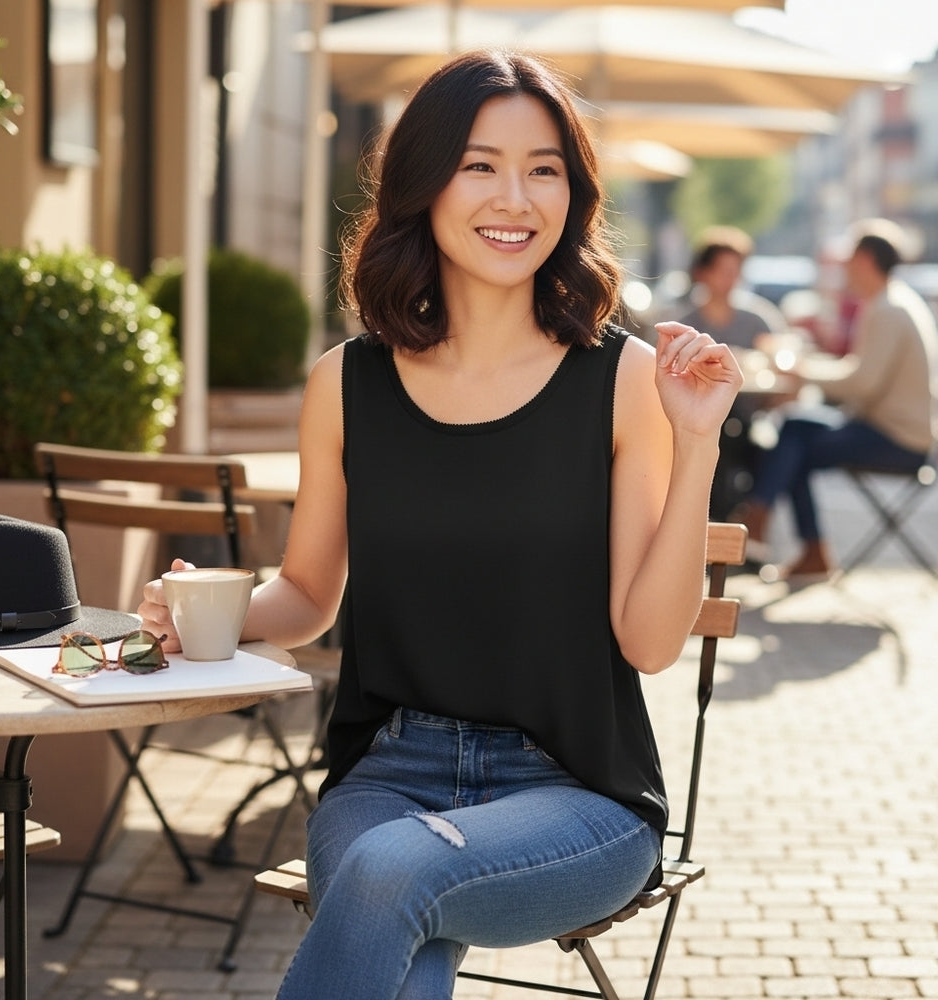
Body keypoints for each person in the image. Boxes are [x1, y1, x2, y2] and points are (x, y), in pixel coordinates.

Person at [139, 50, 742, 1000]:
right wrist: (205, 611)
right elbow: (305, 595)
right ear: (424, 184)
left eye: (544, 168)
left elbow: (651, 641)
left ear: (573, 194)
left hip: (575, 794)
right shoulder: (347, 383)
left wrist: (697, 444)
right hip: (387, 773)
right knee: (397, 913)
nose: (516, 197)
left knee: (392, 873)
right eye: (479, 164)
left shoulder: (621, 382)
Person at [735, 220, 938, 579]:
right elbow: (859, 373)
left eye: (848, 260)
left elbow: (862, 383)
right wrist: (808, 367)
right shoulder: (891, 301)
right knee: (794, 431)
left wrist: (802, 371)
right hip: (886, 427)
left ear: (864, 259)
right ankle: (778, 529)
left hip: (897, 438)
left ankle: (764, 520)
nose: (843, 269)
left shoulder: (888, 309)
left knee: (793, 442)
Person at [677, 226, 787, 519]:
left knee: (771, 446)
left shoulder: (758, 319)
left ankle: (744, 527)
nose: (731, 280)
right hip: (694, 419)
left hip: (748, 420)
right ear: (703, 272)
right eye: (723, 271)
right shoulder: (682, 322)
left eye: (736, 271)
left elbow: (781, 363)